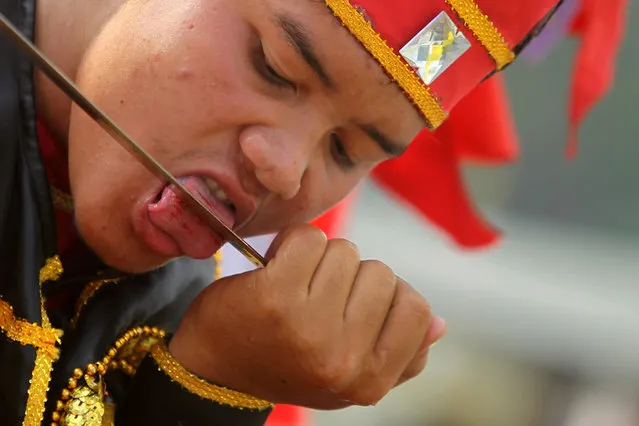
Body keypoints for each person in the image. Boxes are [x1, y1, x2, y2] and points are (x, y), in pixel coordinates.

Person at [0, 1, 627, 426]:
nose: (285, 171)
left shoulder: (209, 314)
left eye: (345, 150)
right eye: (274, 67)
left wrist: (214, 380)